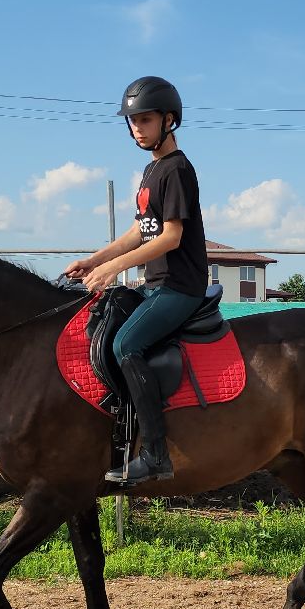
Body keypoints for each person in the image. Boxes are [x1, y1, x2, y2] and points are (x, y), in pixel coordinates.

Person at [64, 76, 209, 485]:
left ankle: (156, 454)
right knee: (101, 324)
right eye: (132, 121)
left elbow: (171, 236)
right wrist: (93, 260)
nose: (137, 128)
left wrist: (115, 269)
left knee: (126, 344)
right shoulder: (151, 170)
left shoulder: (177, 169)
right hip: (155, 284)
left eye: (145, 120)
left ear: (169, 120)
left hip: (179, 286)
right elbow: (139, 231)